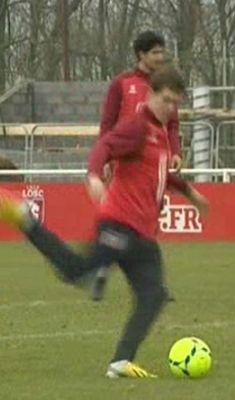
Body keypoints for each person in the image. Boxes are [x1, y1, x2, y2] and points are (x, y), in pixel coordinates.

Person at [0, 66, 209, 378]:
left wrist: (189, 191)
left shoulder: (162, 133)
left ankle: (121, 362)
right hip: (119, 224)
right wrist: (94, 174)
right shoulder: (137, 126)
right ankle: (26, 220)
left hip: (143, 235)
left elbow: (160, 172)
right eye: (165, 100)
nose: (170, 108)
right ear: (151, 94)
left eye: (175, 102)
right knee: (76, 271)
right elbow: (105, 146)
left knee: (153, 295)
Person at [92, 30, 183, 302]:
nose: (161, 56)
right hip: (127, 160)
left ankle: (153, 284)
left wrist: (175, 151)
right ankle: (101, 271)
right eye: (155, 52)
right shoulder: (122, 83)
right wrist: (105, 160)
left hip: (155, 161)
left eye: (162, 51)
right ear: (141, 55)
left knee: (150, 218)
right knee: (119, 219)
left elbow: (174, 125)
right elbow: (108, 124)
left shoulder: (166, 85)